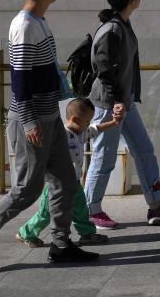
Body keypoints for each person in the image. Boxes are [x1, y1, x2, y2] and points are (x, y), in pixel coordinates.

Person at [0, 0, 98, 273]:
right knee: (26, 190)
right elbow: (19, 79)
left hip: (50, 118)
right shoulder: (24, 25)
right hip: (32, 122)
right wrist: (30, 121)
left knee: (64, 180)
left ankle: (61, 245)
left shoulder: (38, 21)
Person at [85, 0, 160, 228]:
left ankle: (156, 205)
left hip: (123, 101)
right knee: (104, 156)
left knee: (144, 149)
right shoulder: (111, 29)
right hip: (110, 103)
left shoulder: (122, 24)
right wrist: (117, 102)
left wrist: (125, 100)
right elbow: (103, 68)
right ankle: (90, 210)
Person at [16, 97, 120, 247]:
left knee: (80, 209)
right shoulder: (60, 135)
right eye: (87, 121)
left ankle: (86, 233)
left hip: (74, 181)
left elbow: (96, 129)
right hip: (55, 183)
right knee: (47, 212)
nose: (89, 124)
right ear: (75, 119)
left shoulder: (80, 133)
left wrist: (114, 123)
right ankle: (26, 233)